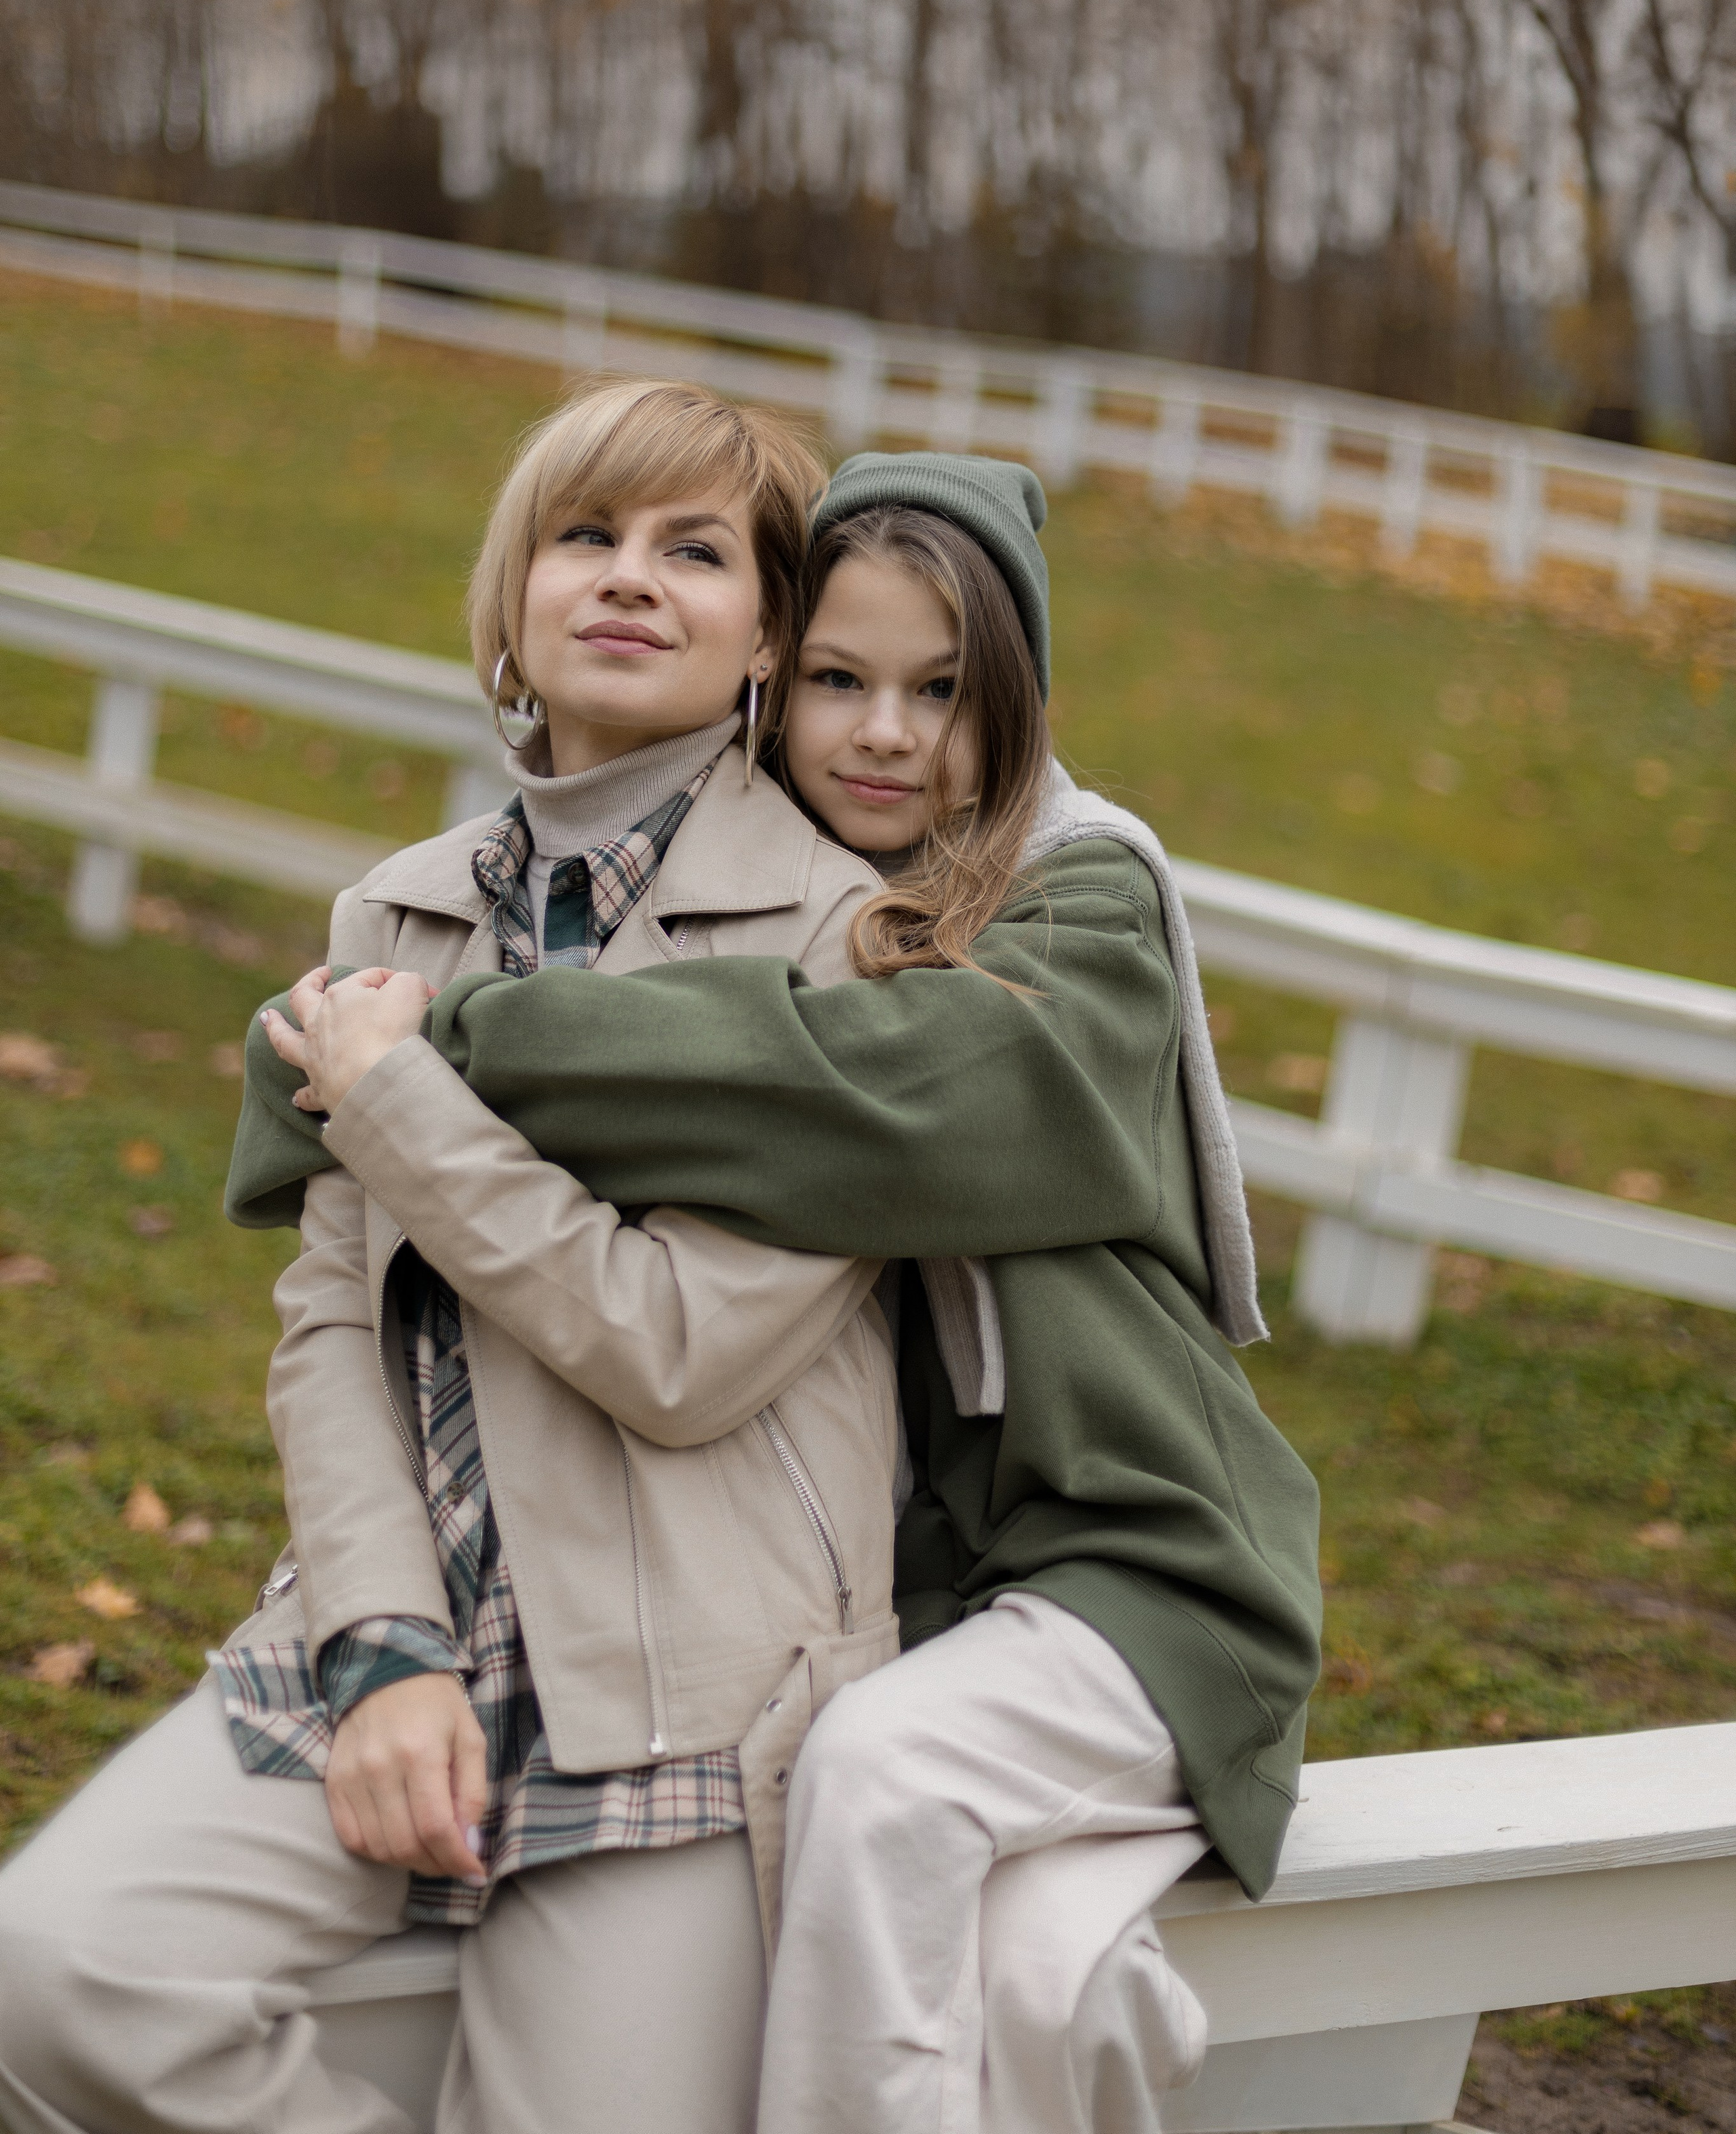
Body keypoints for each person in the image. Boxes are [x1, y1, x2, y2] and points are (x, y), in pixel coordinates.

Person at [235, 449, 1325, 2134]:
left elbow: (863, 1086)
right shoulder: (789, 905)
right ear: (774, 675)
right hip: (941, 1599)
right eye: (838, 679)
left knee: (876, 1783)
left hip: (1135, 1559)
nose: (885, 733)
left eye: (944, 692)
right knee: (1041, 1976)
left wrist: (424, 1045)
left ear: (1018, 706)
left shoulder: (1075, 901)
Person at [0, 378, 907, 2134]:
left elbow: (678, 1353)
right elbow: (333, 1317)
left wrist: (402, 1098)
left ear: (768, 639)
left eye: (695, 550)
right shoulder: (399, 910)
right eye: (588, 536)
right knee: (55, 1976)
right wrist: (386, 1651)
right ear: (514, 600)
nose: (630, 577)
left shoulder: (843, 945)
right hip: (405, 1613)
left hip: (690, 1684)